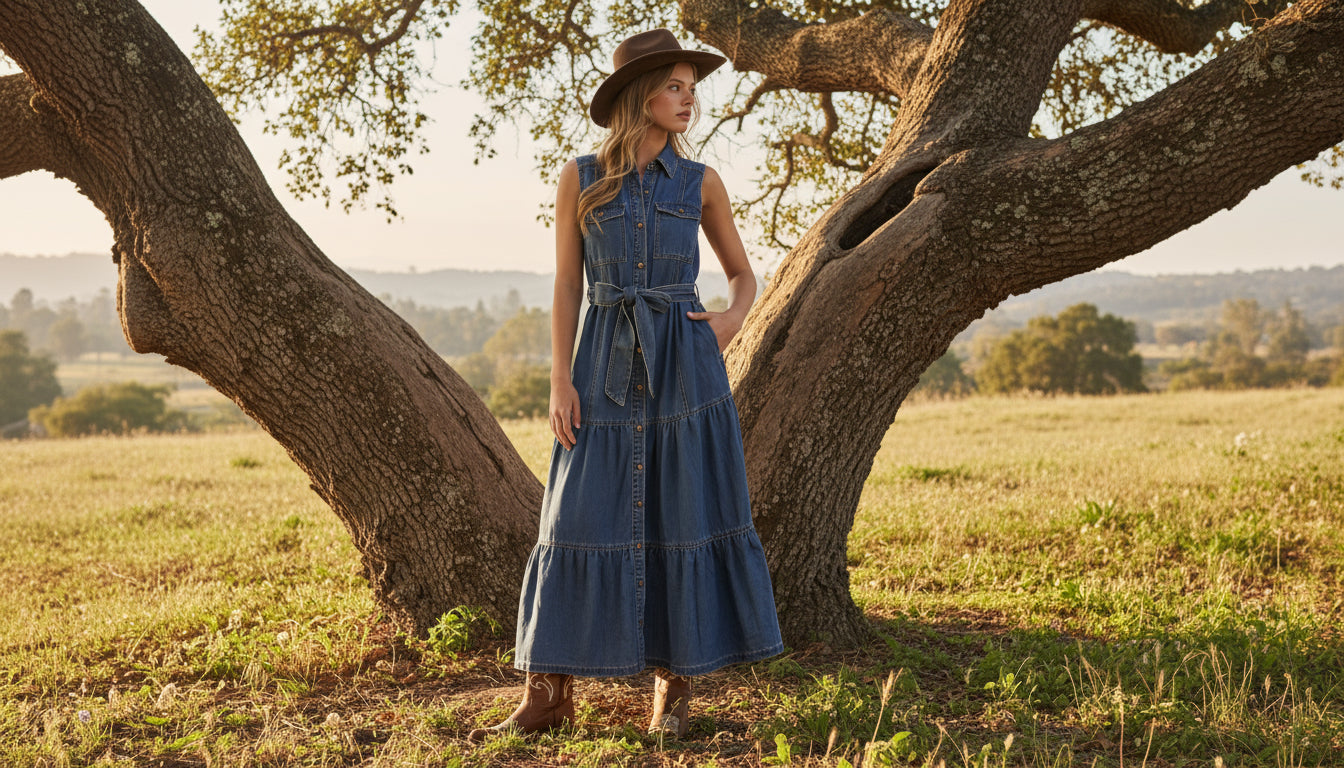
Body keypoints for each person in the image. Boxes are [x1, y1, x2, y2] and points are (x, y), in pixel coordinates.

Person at [468, 28, 783, 743]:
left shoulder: (701, 182)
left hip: (685, 360)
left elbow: (743, 274)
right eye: (675, 87)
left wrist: (731, 320)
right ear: (639, 96)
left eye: (692, 88)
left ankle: (674, 692)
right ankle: (548, 693)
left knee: (684, 512)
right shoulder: (580, 177)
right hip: (602, 360)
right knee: (575, 517)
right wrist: (558, 380)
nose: (688, 100)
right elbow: (566, 285)